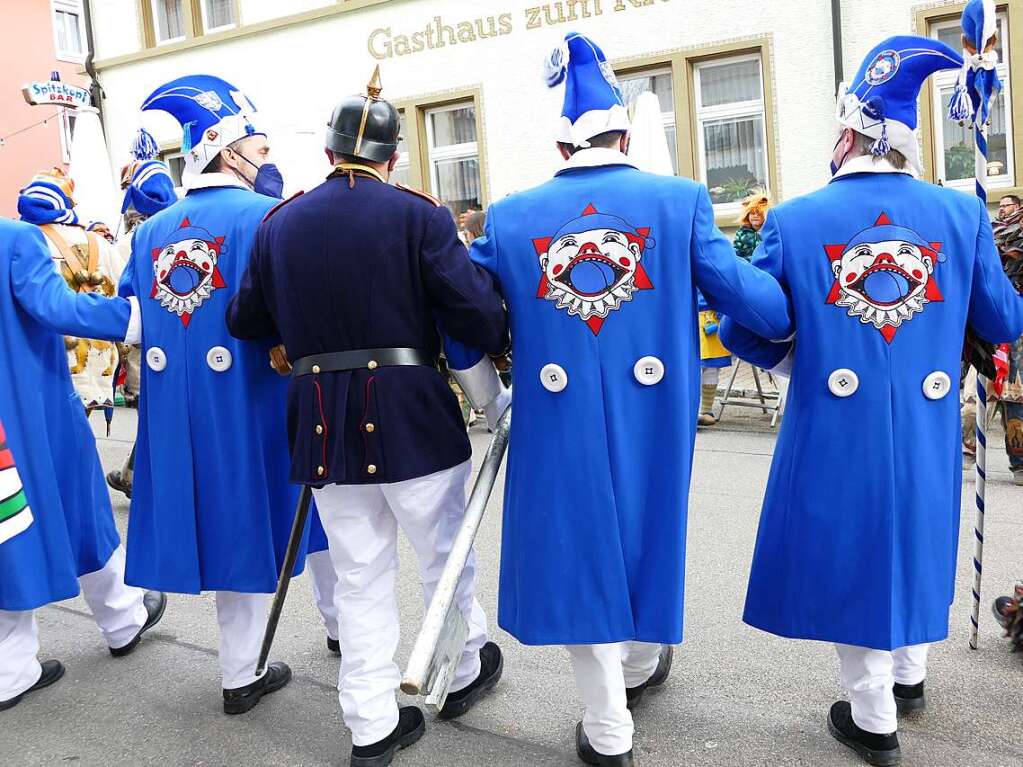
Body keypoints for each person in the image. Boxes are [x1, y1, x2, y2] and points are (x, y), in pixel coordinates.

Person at [445, 33, 792, 766]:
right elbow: (758, 305)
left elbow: (458, 318)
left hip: (552, 412)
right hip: (654, 412)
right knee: (644, 532)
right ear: (626, 133)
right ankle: (631, 675)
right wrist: (785, 321)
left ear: (562, 142)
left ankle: (608, 721)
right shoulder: (679, 199)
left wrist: (491, 397)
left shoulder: (509, 215)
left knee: (578, 549)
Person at [719, 31, 1023, 766]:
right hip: (924, 419)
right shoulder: (957, 214)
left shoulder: (792, 220)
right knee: (914, 534)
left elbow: (743, 328)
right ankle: (909, 676)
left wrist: (801, 355)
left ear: (849, 130)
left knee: (855, 551)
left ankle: (874, 714)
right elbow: (1004, 320)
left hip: (832, 418)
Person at [226, 67, 508, 767]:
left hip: (321, 419)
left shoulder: (279, 221)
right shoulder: (418, 214)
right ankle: (463, 668)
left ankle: (370, 725)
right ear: (390, 159)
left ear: (327, 154)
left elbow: (244, 319)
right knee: (444, 553)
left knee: (358, 574)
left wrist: (295, 336)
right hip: (411, 413)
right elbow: (473, 312)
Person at [118, 74, 339, 715]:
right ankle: (343, 634)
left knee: (237, 528)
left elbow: (136, 318)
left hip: (190, 412)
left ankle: (241, 672)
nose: (267, 161)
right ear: (224, 148)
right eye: (260, 150)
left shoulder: (148, 232)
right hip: (273, 401)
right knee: (326, 518)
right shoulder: (271, 215)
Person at [0, 218, 165, 712]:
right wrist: (139, 315)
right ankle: (122, 619)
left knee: (6, 534)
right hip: (29, 408)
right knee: (81, 506)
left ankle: (11, 667)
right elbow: (57, 307)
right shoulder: (13, 239)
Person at [17, 168, 126, 413]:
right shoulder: (100, 243)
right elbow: (122, 291)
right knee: (80, 436)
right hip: (99, 359)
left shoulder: (27, 241)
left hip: (50, 360)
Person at [106, 137, 179, 499]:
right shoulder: (186, 227)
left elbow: (125, 295)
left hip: (150, 344)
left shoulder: (133, 241)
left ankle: (141, 477)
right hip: (195, 342)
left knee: (154, 415)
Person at [733, 193, 769, 262]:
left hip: (764, 267)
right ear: (747, 215)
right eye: (752, 213)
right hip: (747, 267)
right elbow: (735, 253)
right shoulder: (742, 233)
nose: (755, 216)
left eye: (759, 213)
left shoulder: (769, 232)